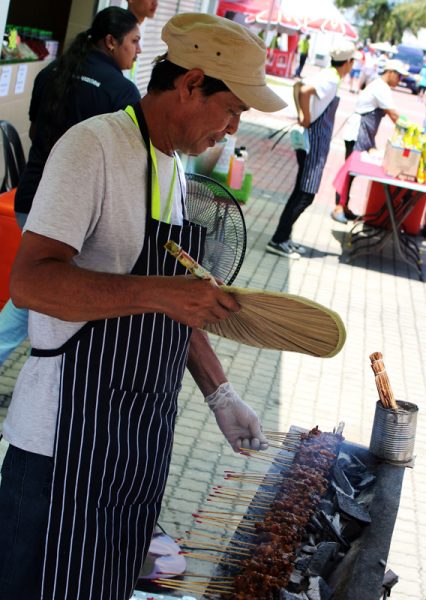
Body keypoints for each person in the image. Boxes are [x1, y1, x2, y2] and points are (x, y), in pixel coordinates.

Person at [0, 13, 286, 600]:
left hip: (135, 444)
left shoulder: (174, 168)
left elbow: (177, 305)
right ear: (191, 83)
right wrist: (159, 291)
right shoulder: (94, 147)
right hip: (61, 447)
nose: (232, 129)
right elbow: (30, 283)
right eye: (231, 110)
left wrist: (220, 393)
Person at [0, 7, 141, 367]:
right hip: (70, 217)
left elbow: (35, 132)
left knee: (35, 296)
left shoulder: (52, 71)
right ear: (112, 42)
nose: (138, 50)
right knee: (39, 299)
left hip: (29, 201)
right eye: (134, 42)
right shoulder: (121, 92)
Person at [266, 41, 355, 259]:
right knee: (305, 195)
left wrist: (302, 114)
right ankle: (278, 240)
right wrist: (304, 116)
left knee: (302, 192)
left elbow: (298, 86)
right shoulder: (332, 78)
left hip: (313, 141)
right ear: (349, 63)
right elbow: (304, 90)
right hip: (313, 142)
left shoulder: (328, 73)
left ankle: (284, 238)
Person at [332, 59, 405, 223]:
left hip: (365, 133)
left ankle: (344, 205)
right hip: (358, 132)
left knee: (353, 171)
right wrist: (410, 129)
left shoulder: (379, 85)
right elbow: (394, 115)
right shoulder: (381, 88)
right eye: (399, 76)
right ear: (391, 72)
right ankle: (338, 207)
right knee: (349, 171)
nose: (400, 80)